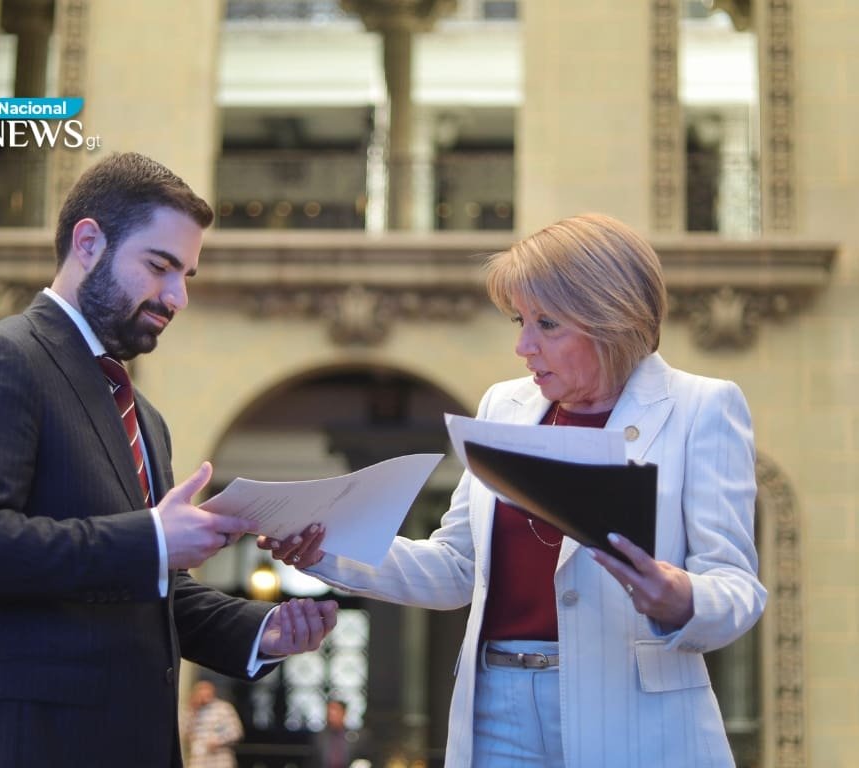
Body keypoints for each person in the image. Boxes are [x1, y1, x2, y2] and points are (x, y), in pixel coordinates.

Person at [264, 213, 766, 768]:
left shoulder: (704, 408)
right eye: (519, 321)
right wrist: (327, 548)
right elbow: (456, 568)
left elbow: (736, 586)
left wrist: (680, 599)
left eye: (547, 324)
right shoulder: (504, 405)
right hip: (496, 711)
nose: (524, 346)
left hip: (637, 718)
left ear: (611, 319)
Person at [0, 152, 339, 768]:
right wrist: (156, 540)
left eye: (187, 274)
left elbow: (146, 588)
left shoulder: (146, 419)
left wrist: (258, 630)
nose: (178, 296)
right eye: (160, 266)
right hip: (21, 747)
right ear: (88, 243)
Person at [180, 680, 242, 768]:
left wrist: (218, 741)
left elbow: (236, 732)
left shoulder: (223, 708)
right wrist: (192, 711)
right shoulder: (190, 709)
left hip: (220, 761)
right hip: (198, 761)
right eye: (201, 690)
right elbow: (182, 733)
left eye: (206, 690)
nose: (204, 694)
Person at [308, 699, 367, 768]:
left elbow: (364, 759)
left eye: (335, 712)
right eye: (329, 713)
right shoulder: (318, 737)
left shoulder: (357, 736)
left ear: (344, 713)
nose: (331, 717)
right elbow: (312, 761)